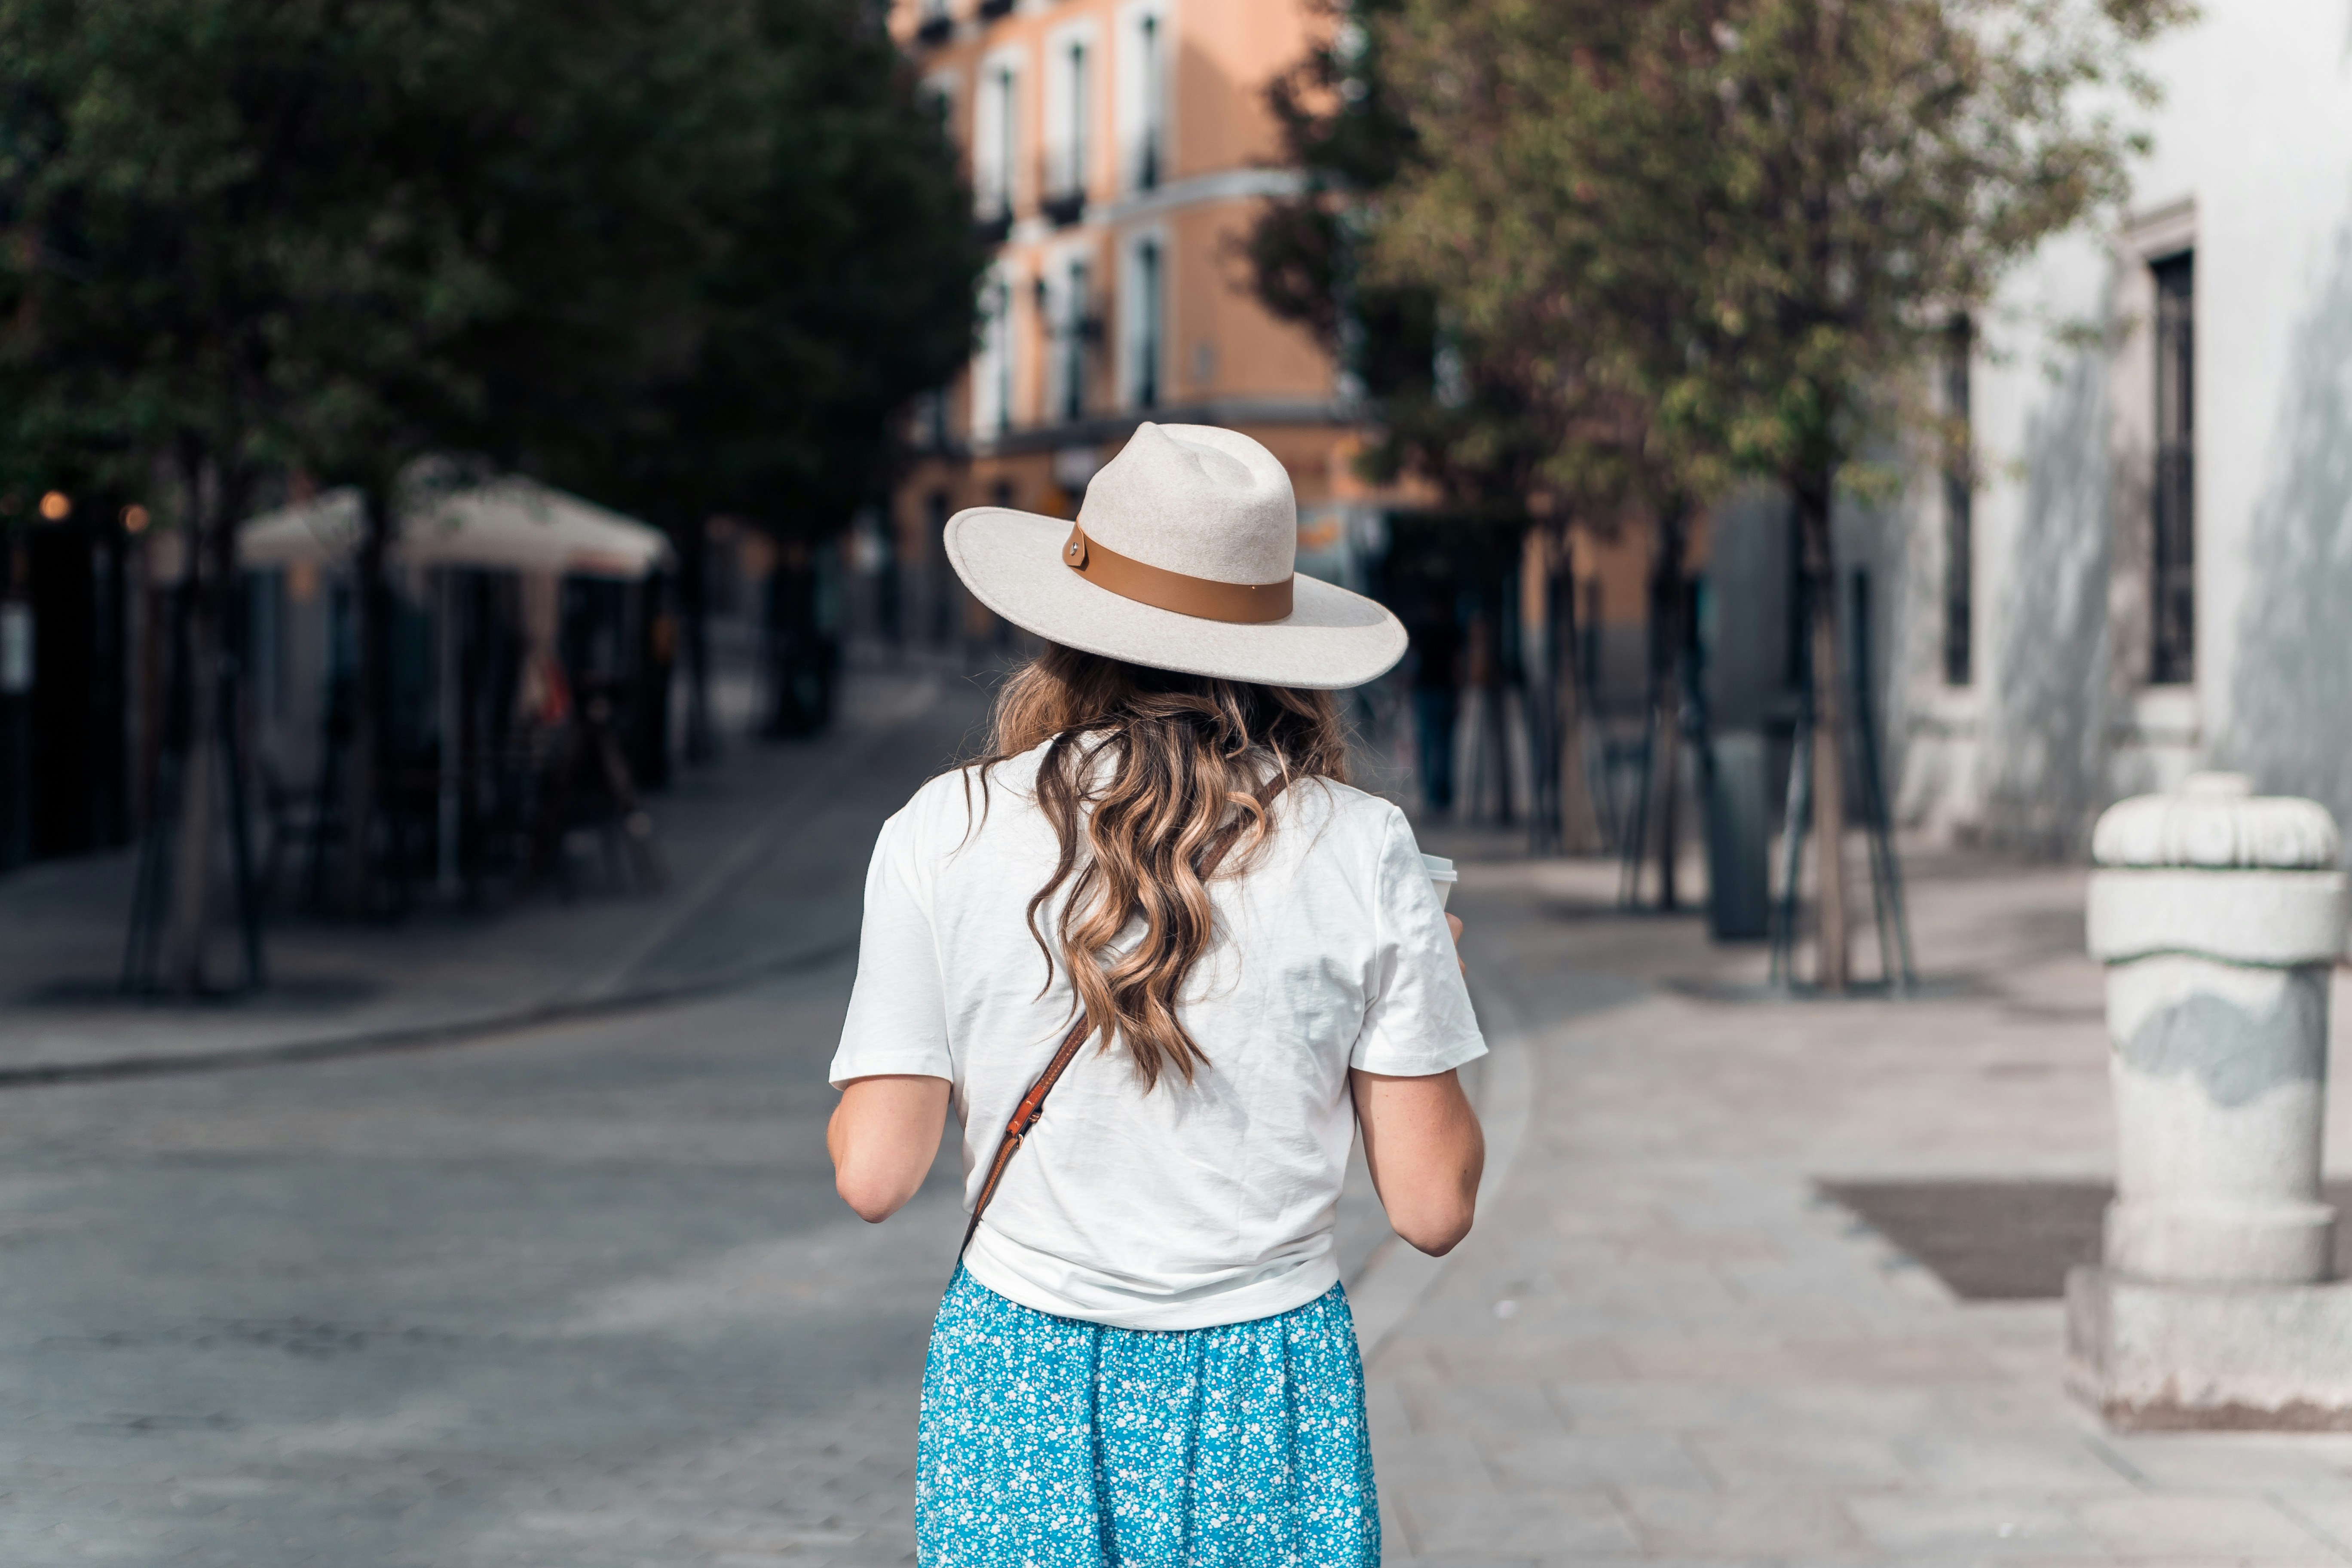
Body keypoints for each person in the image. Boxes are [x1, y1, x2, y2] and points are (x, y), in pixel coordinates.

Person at [826, 423, 1487, 1568]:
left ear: (1070, 627)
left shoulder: (943, 827)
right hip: (1268, 1383)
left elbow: (874, 1174)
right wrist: (1437, 996)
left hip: (1019, 1375)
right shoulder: (1363, 847)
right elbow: (1433, 1207)